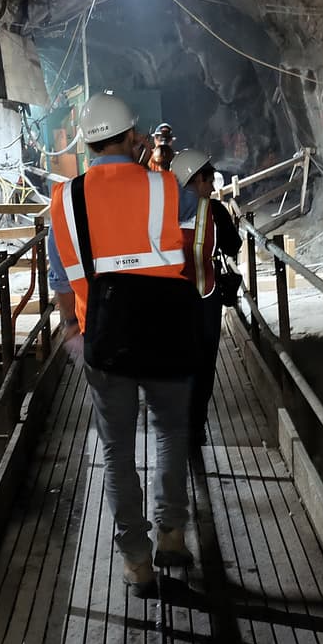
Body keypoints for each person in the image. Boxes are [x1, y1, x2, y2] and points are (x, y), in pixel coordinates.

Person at [46, 93, 202, 597]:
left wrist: (72, 327)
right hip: (166, 332)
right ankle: (172, 535)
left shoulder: (64, 200)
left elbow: (62, 280)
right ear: (133, 136)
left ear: (85, 141)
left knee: (116, 450)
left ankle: (136, 560)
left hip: (104, 339)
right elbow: (197, 224)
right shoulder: (166, 187)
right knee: (171, 434)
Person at [171, 149, 243, 447]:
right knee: (203, 365)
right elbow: (232, 245)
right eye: (209, 180)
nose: (212, 187)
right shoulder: (214, 212)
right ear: (197, 179)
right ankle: (195, 426)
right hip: (205, 298)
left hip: (169, 302)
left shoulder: (158, 210)